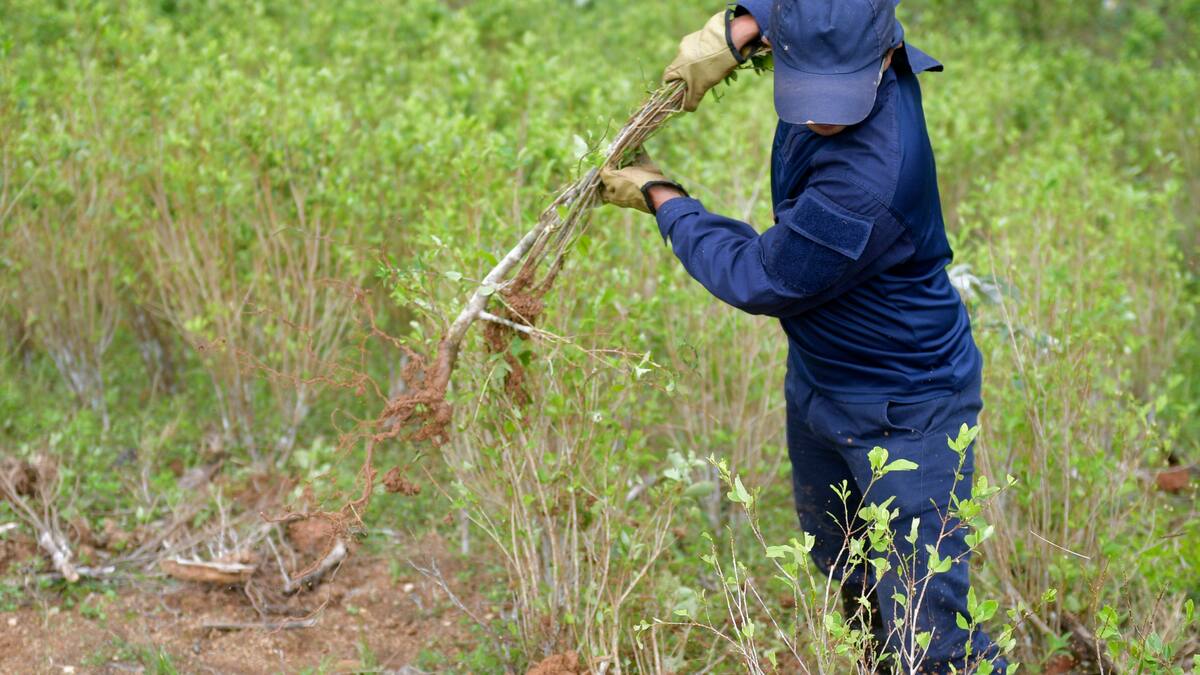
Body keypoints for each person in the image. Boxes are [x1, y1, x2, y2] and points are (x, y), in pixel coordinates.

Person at [599, 1, 1007, 672]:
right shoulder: (851, 37)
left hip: (907, 408)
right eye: (805, 89)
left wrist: (663, 198)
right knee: (842, 563)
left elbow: (760, 276)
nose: (820, 114)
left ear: (886, 59)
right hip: (821, 381)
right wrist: (743, 23)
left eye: (839, 96)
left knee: (931, 635)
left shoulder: (867, 185)